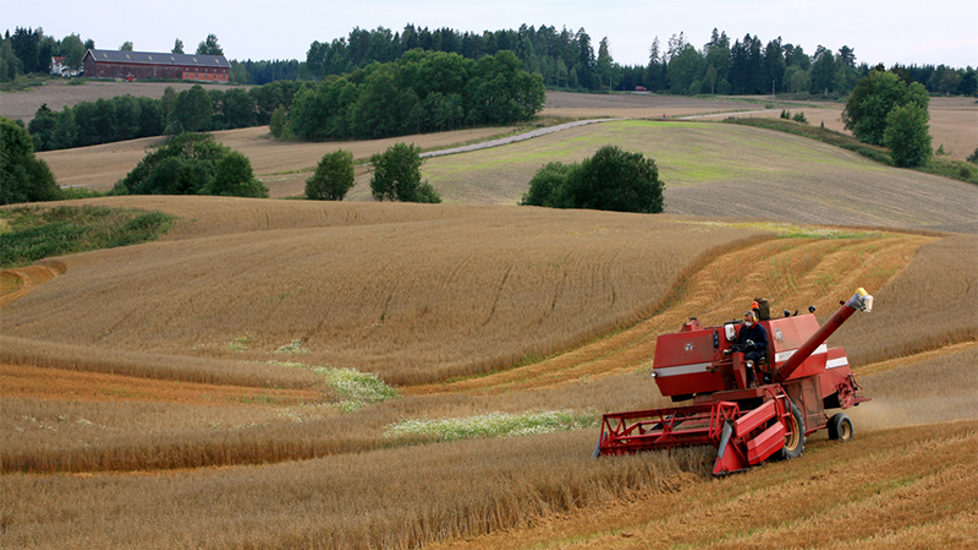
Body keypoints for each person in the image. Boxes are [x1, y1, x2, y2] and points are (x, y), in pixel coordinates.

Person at [736, 310, 768, 387]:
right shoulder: (743, 328)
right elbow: (739, 342)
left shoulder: (759, 329)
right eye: (746, 320)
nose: (747, 322)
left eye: (748, 320)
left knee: (748, 357)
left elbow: (765, 343)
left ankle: (752, 379)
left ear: (753, 319)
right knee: (737, 357)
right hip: (747, 350)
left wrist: (754, 344)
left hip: (758, 351)